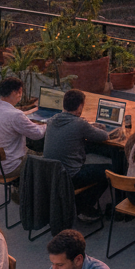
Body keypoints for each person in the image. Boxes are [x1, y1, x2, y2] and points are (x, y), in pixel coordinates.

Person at [43, 88, 116, 218]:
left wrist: (88, 126)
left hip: (52, 173)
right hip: (71, 175)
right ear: (80, 106)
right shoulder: (79, 124)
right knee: (110, 171)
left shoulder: (52, 120)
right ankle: (83, 206)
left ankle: (79, 203)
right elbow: (104, 136)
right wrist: (96, 127)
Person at [0, 76, 44, 176]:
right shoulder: (15, 115)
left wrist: (30, 112)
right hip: (11, 168)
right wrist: (47, 124)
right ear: (19, 91)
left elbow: (7, 116)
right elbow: (38, 134)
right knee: (44, 157)